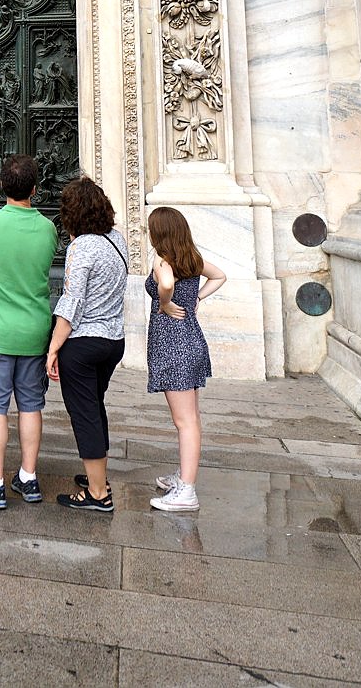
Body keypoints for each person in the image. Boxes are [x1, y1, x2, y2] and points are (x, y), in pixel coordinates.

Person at [0, 154, 57, 508]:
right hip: (34, 332)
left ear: (1, 185)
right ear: (35, 189)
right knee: (31, 406)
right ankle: (29, 478)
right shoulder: (47, 228)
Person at [47, 176, 131, 513]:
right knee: (94, 408)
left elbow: (72, 303)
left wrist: (53, 348)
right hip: (113, 340)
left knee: (85, 415)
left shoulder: (81, 247)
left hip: (83, 344)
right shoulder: (117, 239)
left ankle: (98, 493)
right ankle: (98, 476)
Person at [145, 207, 225, 513]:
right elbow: (220, 276)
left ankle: (187, 491)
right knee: (191, 418)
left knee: (185, 421)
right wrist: (197, 298)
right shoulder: (191, 259)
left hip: (174, 346)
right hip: (190, 340)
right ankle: (184, 476)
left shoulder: (162, 260)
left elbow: (166, 283)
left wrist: (166, 302)